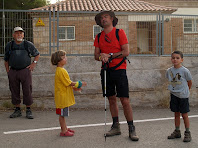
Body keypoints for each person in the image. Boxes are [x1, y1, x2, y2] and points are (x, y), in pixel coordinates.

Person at [94, 11, 139, 141]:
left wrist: (110, 55)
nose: (103, 19)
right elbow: (96, 56)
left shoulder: (120, 33)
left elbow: (126, 52)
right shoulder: (98, 37)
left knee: (124, 100)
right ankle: (116, 126)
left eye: (106, 17)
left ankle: (131, 128)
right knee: (111, 99)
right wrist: (101, 56)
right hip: (106, 70)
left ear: (112, 19)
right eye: (101, 18)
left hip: (119, 70)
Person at [4, 27, 40, 119]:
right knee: (14, 90)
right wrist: (8, 71)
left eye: (21, 33)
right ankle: (17, 110)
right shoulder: (9, 45)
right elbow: (6, 59)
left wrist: (33, 64)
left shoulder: (28, 44)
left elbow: (37, 54)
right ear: (13, 35)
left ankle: (28, 110)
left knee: (27, 90)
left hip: (25, 71)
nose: (19, 35)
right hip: (13, 71)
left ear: (23, 35)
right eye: (17, 33)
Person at [51, 50, 87, 137]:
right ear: (59, 61)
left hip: (62, 97)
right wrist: (79, 83)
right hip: (62, 98)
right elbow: (69, 82)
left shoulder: (61, 70)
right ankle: (63, 131)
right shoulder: (61, 71)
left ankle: (65, 128)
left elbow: (66, 83)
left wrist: (75, 87)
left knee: (62, 114)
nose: (66, 59)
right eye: (64, 58)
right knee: (62, 115)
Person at [166, 51, 192, 142]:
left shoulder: (185, 71)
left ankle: (187, 133)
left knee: (184, 114)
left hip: (183, 96)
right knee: (176, 113)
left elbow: (189, 82)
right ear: (171, 59)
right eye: (173, 58)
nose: (175, 59)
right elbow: (170, 81)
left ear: (182, 60)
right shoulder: (169, 71)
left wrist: (185, 91)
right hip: (174, 95)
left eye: (177, 58)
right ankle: (177, 131)